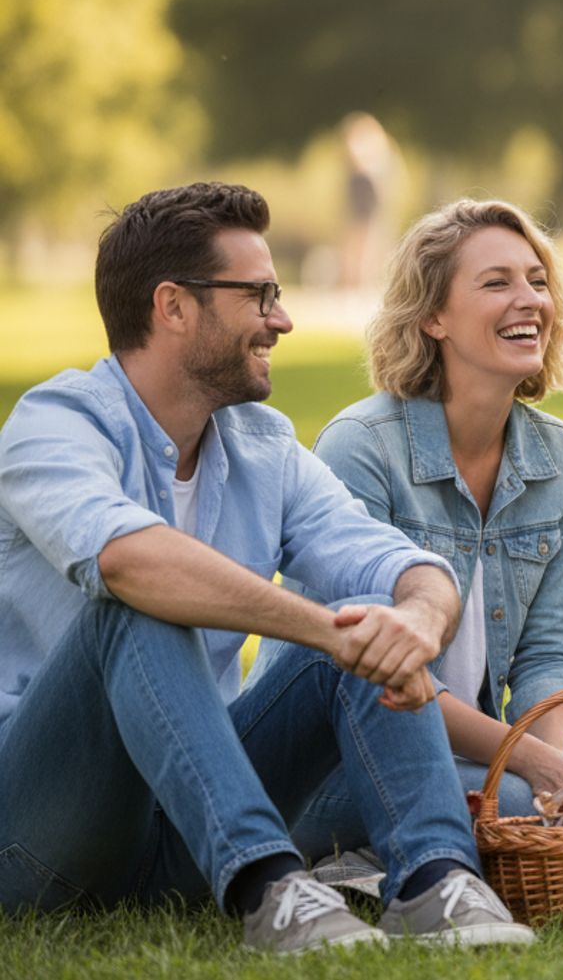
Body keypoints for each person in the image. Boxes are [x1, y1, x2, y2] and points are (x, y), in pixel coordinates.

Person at [0, 183, 531, 951]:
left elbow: (400, 562)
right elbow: (129, 562)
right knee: (137, 602)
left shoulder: (262, 443)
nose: (281, 318)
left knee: (366, 615)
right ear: (173, 306)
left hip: (182, 825)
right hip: (35, 836)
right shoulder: (56, 425)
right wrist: (324, 629)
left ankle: (435, 880)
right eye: (260, 296)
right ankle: (272, 887)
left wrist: (413, 617)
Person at [277, 200, 563, 868]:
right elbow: (367, 671)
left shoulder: (557, 458)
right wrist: (537, 768)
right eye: (496, 283)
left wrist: (561, 766)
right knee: (541, 802)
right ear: (433, 317)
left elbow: (547, 653)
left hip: (480, 753)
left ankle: (519, 830)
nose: (529, 300)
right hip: (341, 764)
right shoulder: (363, 447)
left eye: (537, 280)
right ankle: (492, 837)